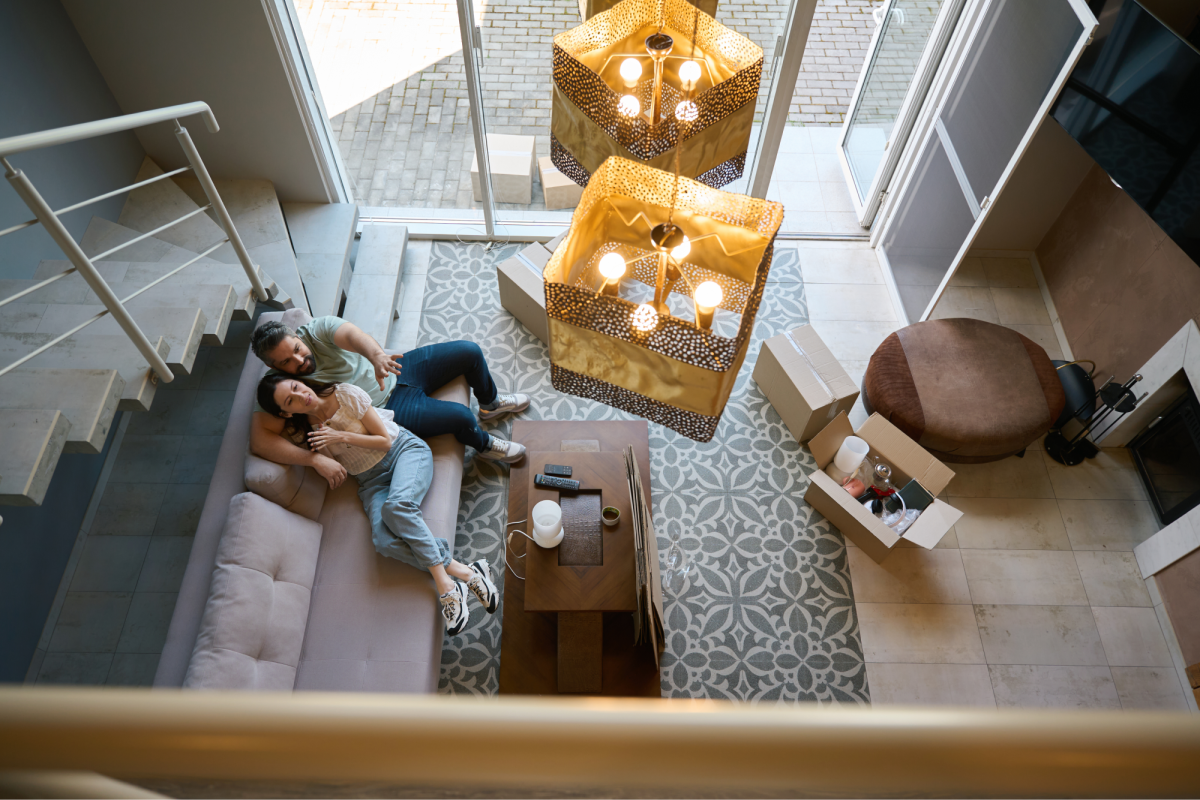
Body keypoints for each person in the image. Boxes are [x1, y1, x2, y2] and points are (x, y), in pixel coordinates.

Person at [257, 372, 495, 635]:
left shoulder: (345, 394)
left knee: (397, 509)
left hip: (402, 451)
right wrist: (319, 459)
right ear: (286, 414)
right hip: (371, 482)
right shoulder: (309, 430)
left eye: (296, 387)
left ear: (300, 381)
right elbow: (262, 443)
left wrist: (340, 437)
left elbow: (384, 441)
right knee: (383, 541)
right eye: (290, 401)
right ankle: (466, 572)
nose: (302, 397)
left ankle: (447, 587)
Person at [249, 316, 529, 490]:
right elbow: (261, 441)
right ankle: (484, 445)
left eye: (297, 349)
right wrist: (314, 459)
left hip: (396, 371)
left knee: (470, 351)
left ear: (298, 337)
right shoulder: (279, 387)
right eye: (287, 362)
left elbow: (352, 335)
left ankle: (490, 402)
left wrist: (377, 356)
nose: (299, 361)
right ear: (274, 368)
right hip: (385, 409)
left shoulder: (316, 330)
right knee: (462, 418)